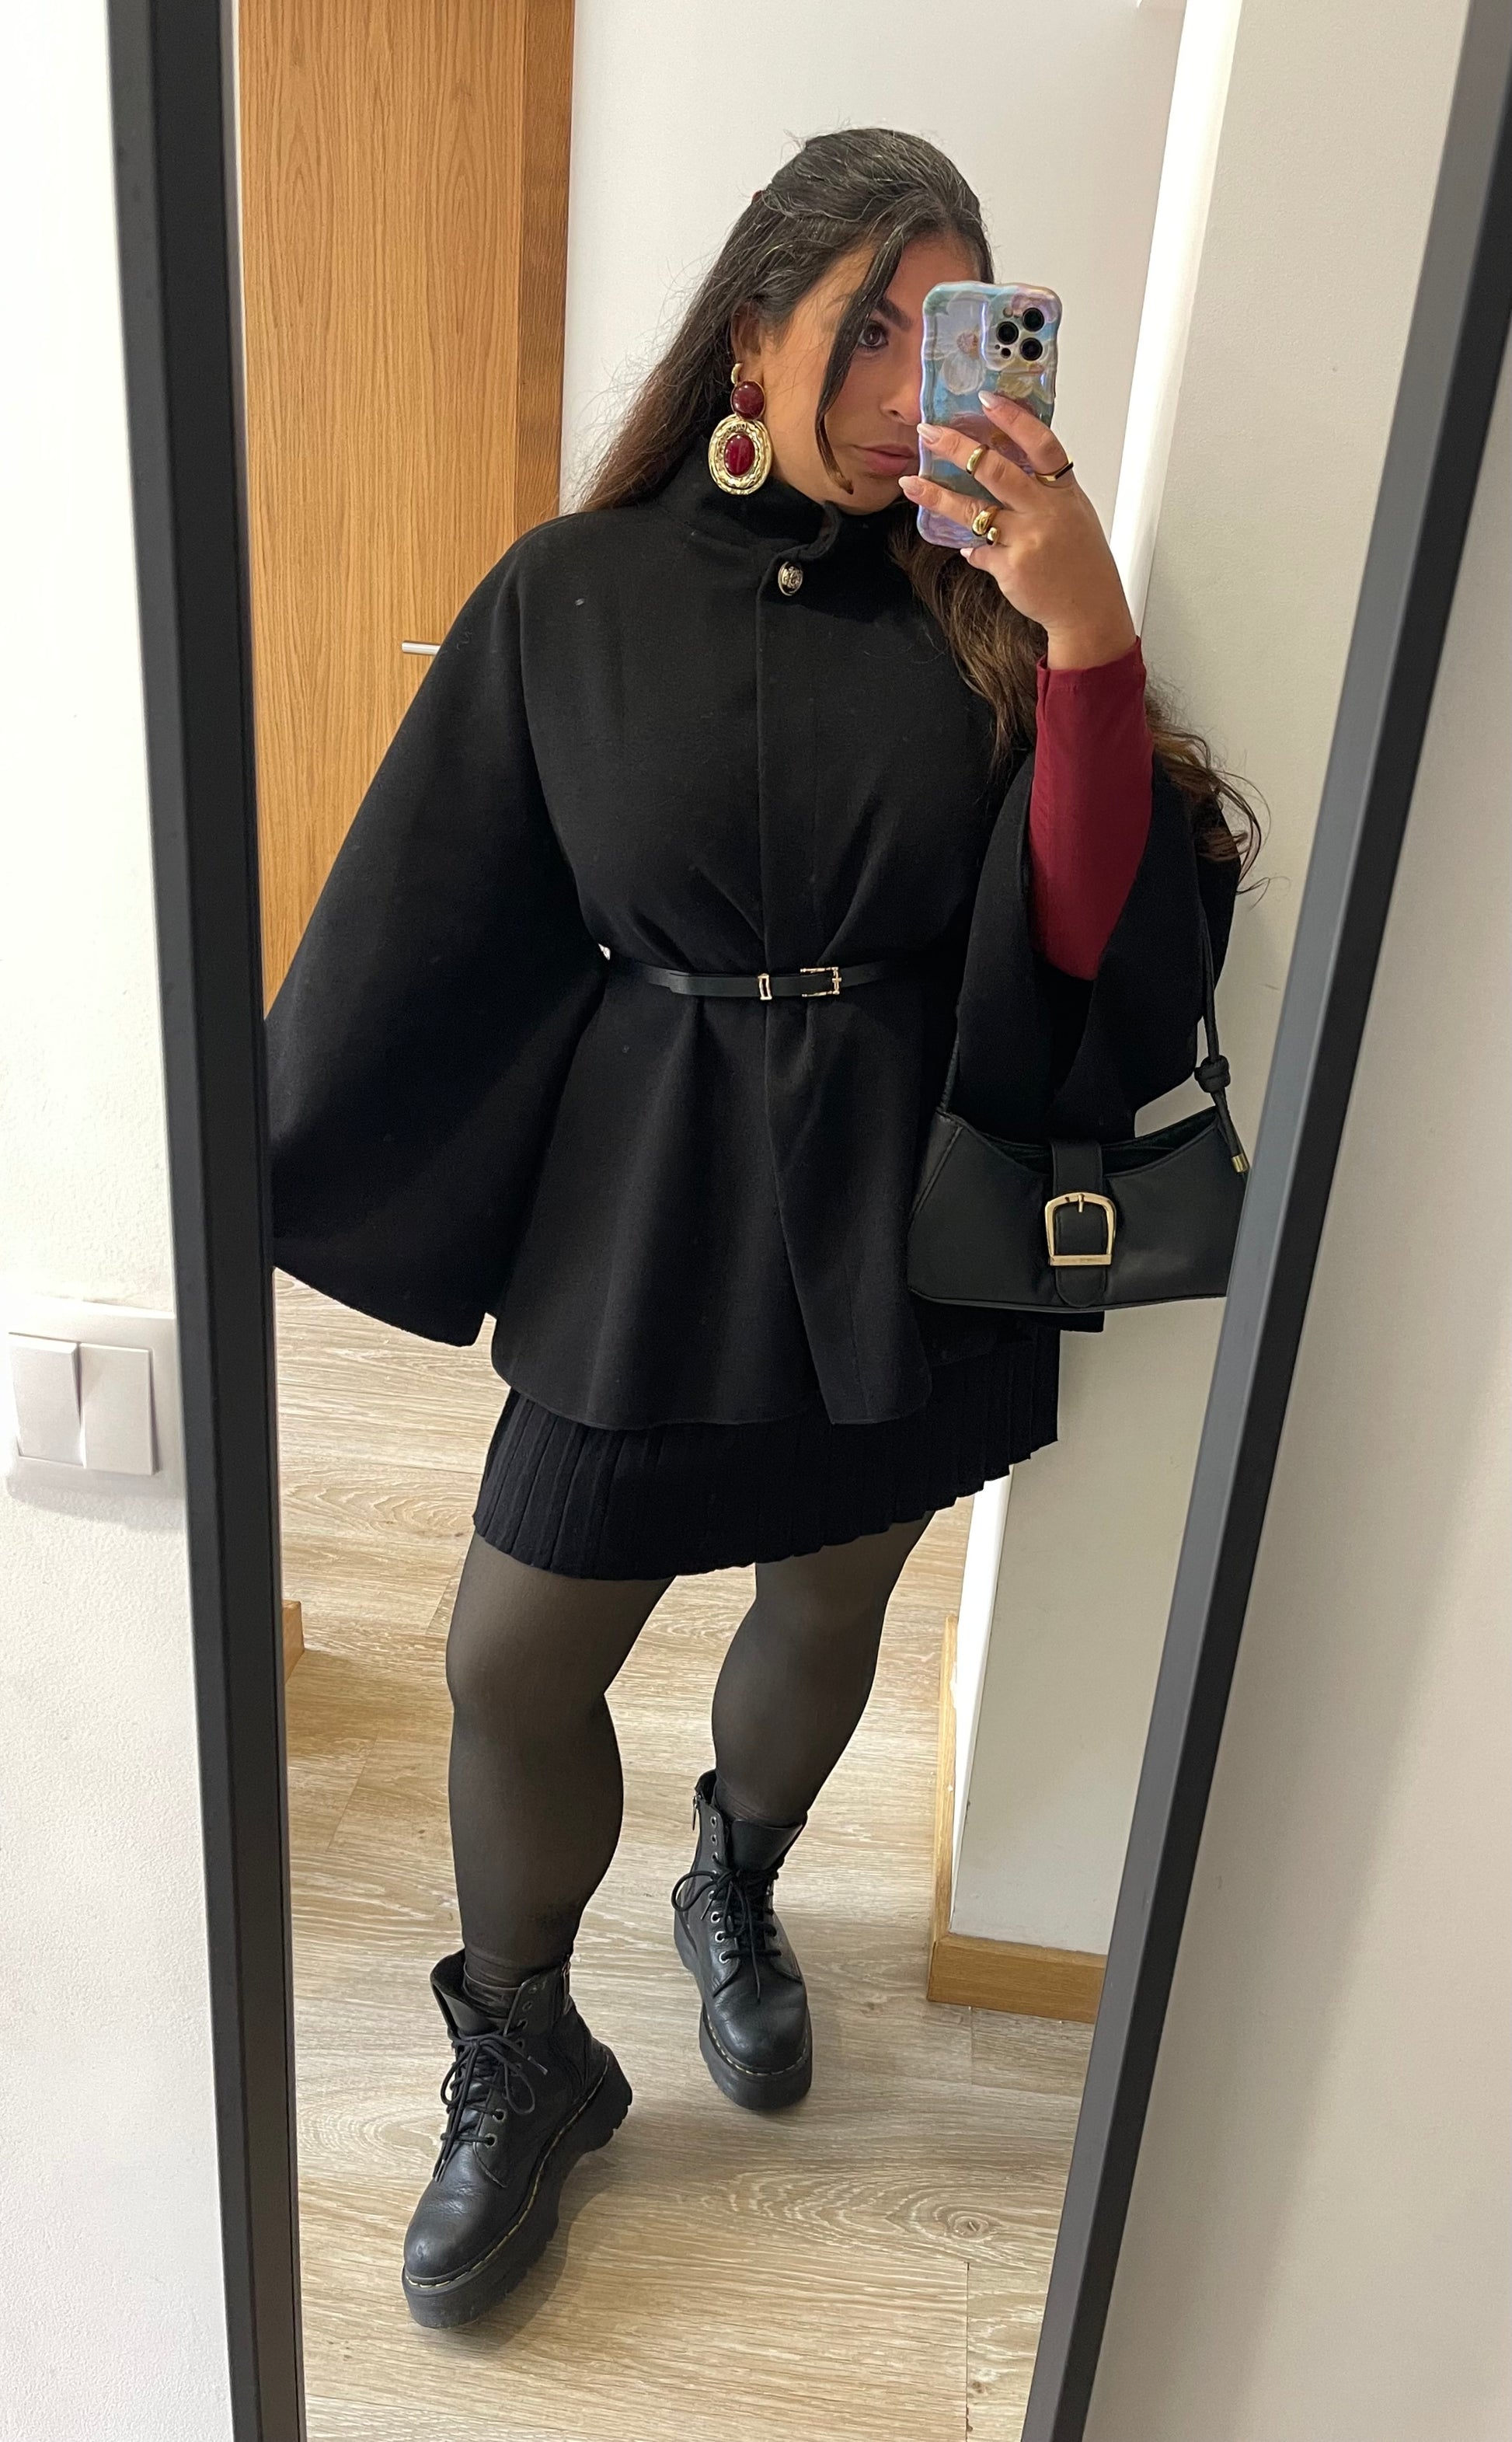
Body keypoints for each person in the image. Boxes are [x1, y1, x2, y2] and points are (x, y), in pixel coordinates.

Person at [267, 128, 1253, 2331]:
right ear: (755, 335)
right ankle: (527, 2048)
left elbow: (1086, 929)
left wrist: (1084, 630)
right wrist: (307, 1148)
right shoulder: (569, 593)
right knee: (511, 1658)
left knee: (830, 1585)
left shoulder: (990, 601)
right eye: (869, 328)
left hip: (904, 1204)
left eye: (954, 330)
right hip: (658, 1200)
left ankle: (736, 1876)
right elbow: (440, 905)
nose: (913, 383)